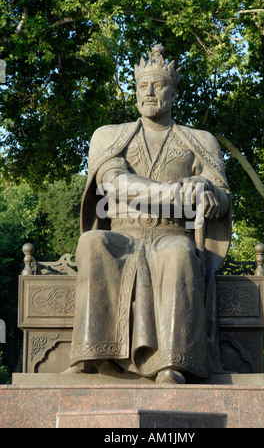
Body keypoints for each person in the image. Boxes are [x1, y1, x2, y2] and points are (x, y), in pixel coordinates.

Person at [68, 44, 231, 383]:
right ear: (135, 91)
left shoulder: (200, 140)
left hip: (172, 234)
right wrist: (177, 193)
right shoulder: (110, 137)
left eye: (159, 86)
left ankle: (172, 364)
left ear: (174, 91)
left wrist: (206, 193)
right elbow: (114, 183)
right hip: (122, 235)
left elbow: (223, 197)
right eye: (143, 86)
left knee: (180, 254)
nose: (150, 93)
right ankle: (97, 353)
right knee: (92, 243)